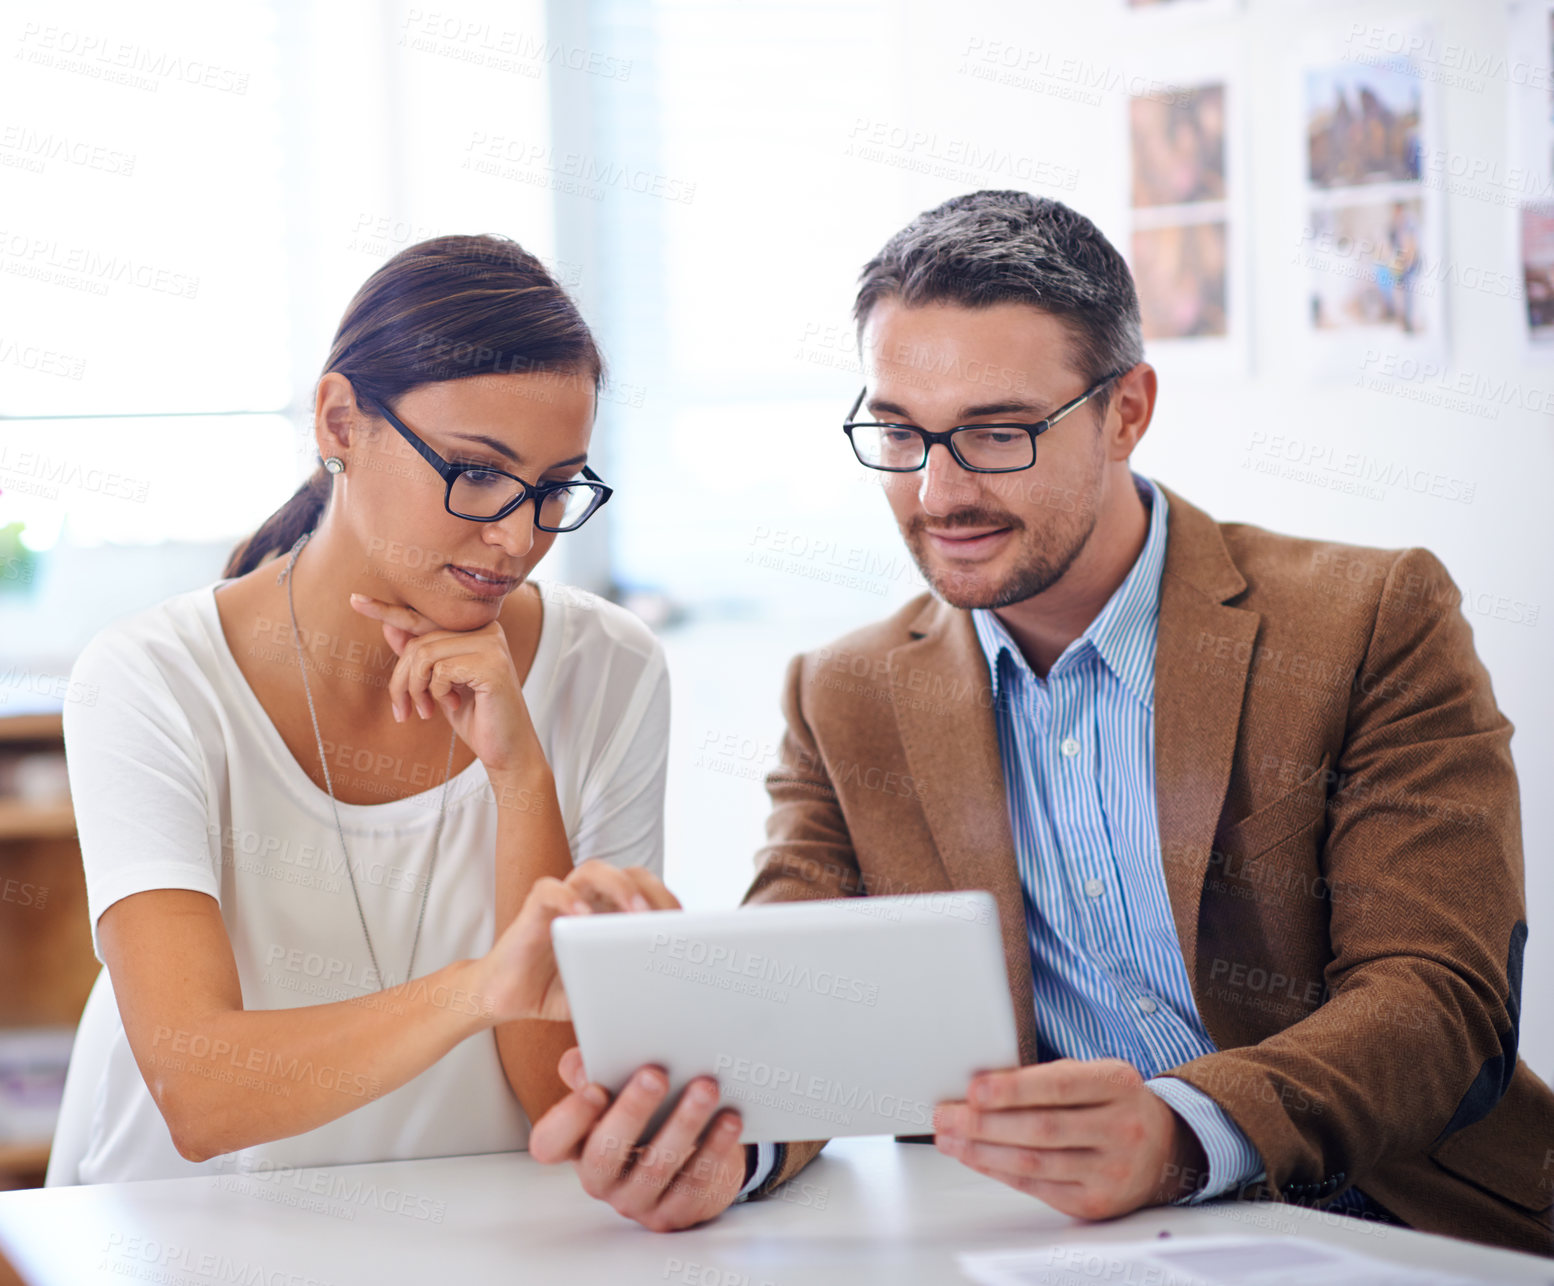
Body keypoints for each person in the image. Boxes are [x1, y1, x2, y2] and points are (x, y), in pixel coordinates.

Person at [529, 192, 1554, 1257]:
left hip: (1414, 1221)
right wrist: (727, 1148)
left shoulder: (1367, 620)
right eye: (898, 432)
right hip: (1056, 1245)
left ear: (1127, 411)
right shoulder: (848, 696)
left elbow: (1441, 998)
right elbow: (804, 1012)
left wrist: (1185, 1129)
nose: (938, 490)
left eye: (997, 432)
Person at [49, 234, 680, 1185]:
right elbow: (202, 1095)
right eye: (475, 471)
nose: (516, 538)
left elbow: (561, 1105)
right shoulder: (149, 679)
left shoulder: (611, 668)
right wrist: (480, 989)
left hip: (486, 1238)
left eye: (555, 490)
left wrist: (520, 778)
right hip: (180, 1240)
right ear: (340, 422)